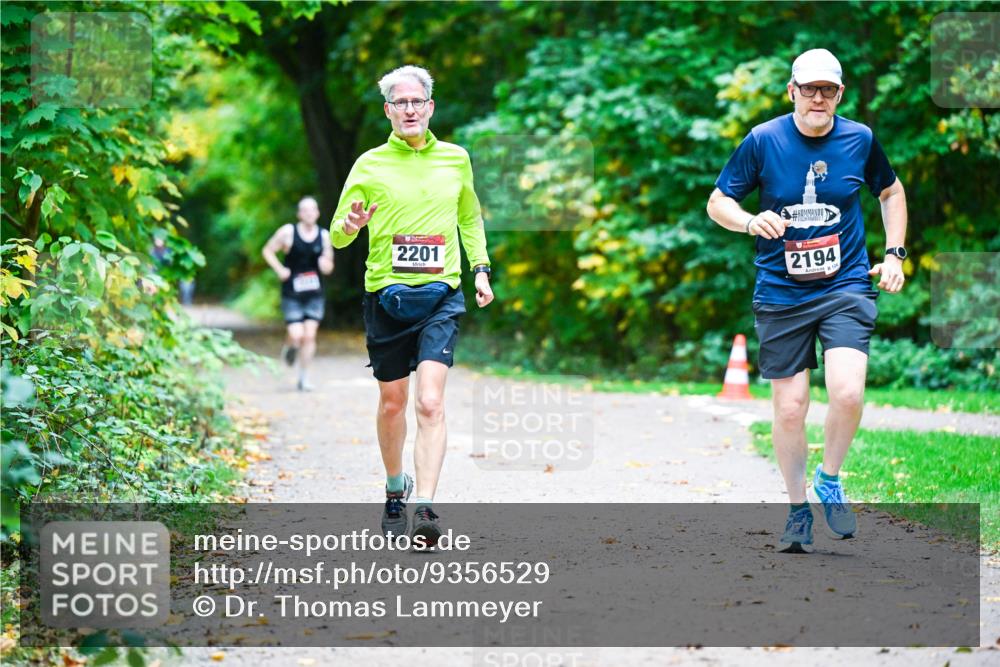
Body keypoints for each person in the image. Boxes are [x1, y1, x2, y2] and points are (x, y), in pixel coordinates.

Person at [706, 49, 908, 553]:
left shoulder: (859, 139)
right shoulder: (763, 140)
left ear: (840, 94)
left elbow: (892, 192)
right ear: (791, 91)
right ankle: (798, 510)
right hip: (781, 291)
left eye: (829, 90)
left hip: (845, 286)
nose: (819, 98)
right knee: (791, 407)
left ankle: (830, 479)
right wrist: (751, 221)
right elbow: (718, 202)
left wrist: (896, 253)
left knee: (847, 393)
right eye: (809, 89)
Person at [329, 65, 494, 546]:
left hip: (441, 294)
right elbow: (338, 236)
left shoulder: (456, 159)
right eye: (399, 103)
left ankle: (425, 507)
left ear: (430, 107)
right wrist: (352, 225)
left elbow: (470, 217)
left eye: (416, 101)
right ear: (388, 111)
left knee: (429, 401)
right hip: (386, 296)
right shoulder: (369, 164)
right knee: (392, 402)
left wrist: (480, 268)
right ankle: (395, 488)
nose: (409, 110)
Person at [262, 196, 334, 392]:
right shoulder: (288, 232)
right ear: (299, 214)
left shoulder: (325, 235)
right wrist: (280, 270)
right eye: (305, 210)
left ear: (318, 213)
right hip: (292, 293)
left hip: (314, 294)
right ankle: (291, 346)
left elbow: (329, 266)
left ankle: (304, 377)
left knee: (309, 336)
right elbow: (267, 251)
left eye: (313, 210)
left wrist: (324, 264)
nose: (309, 213)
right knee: (297, 334)